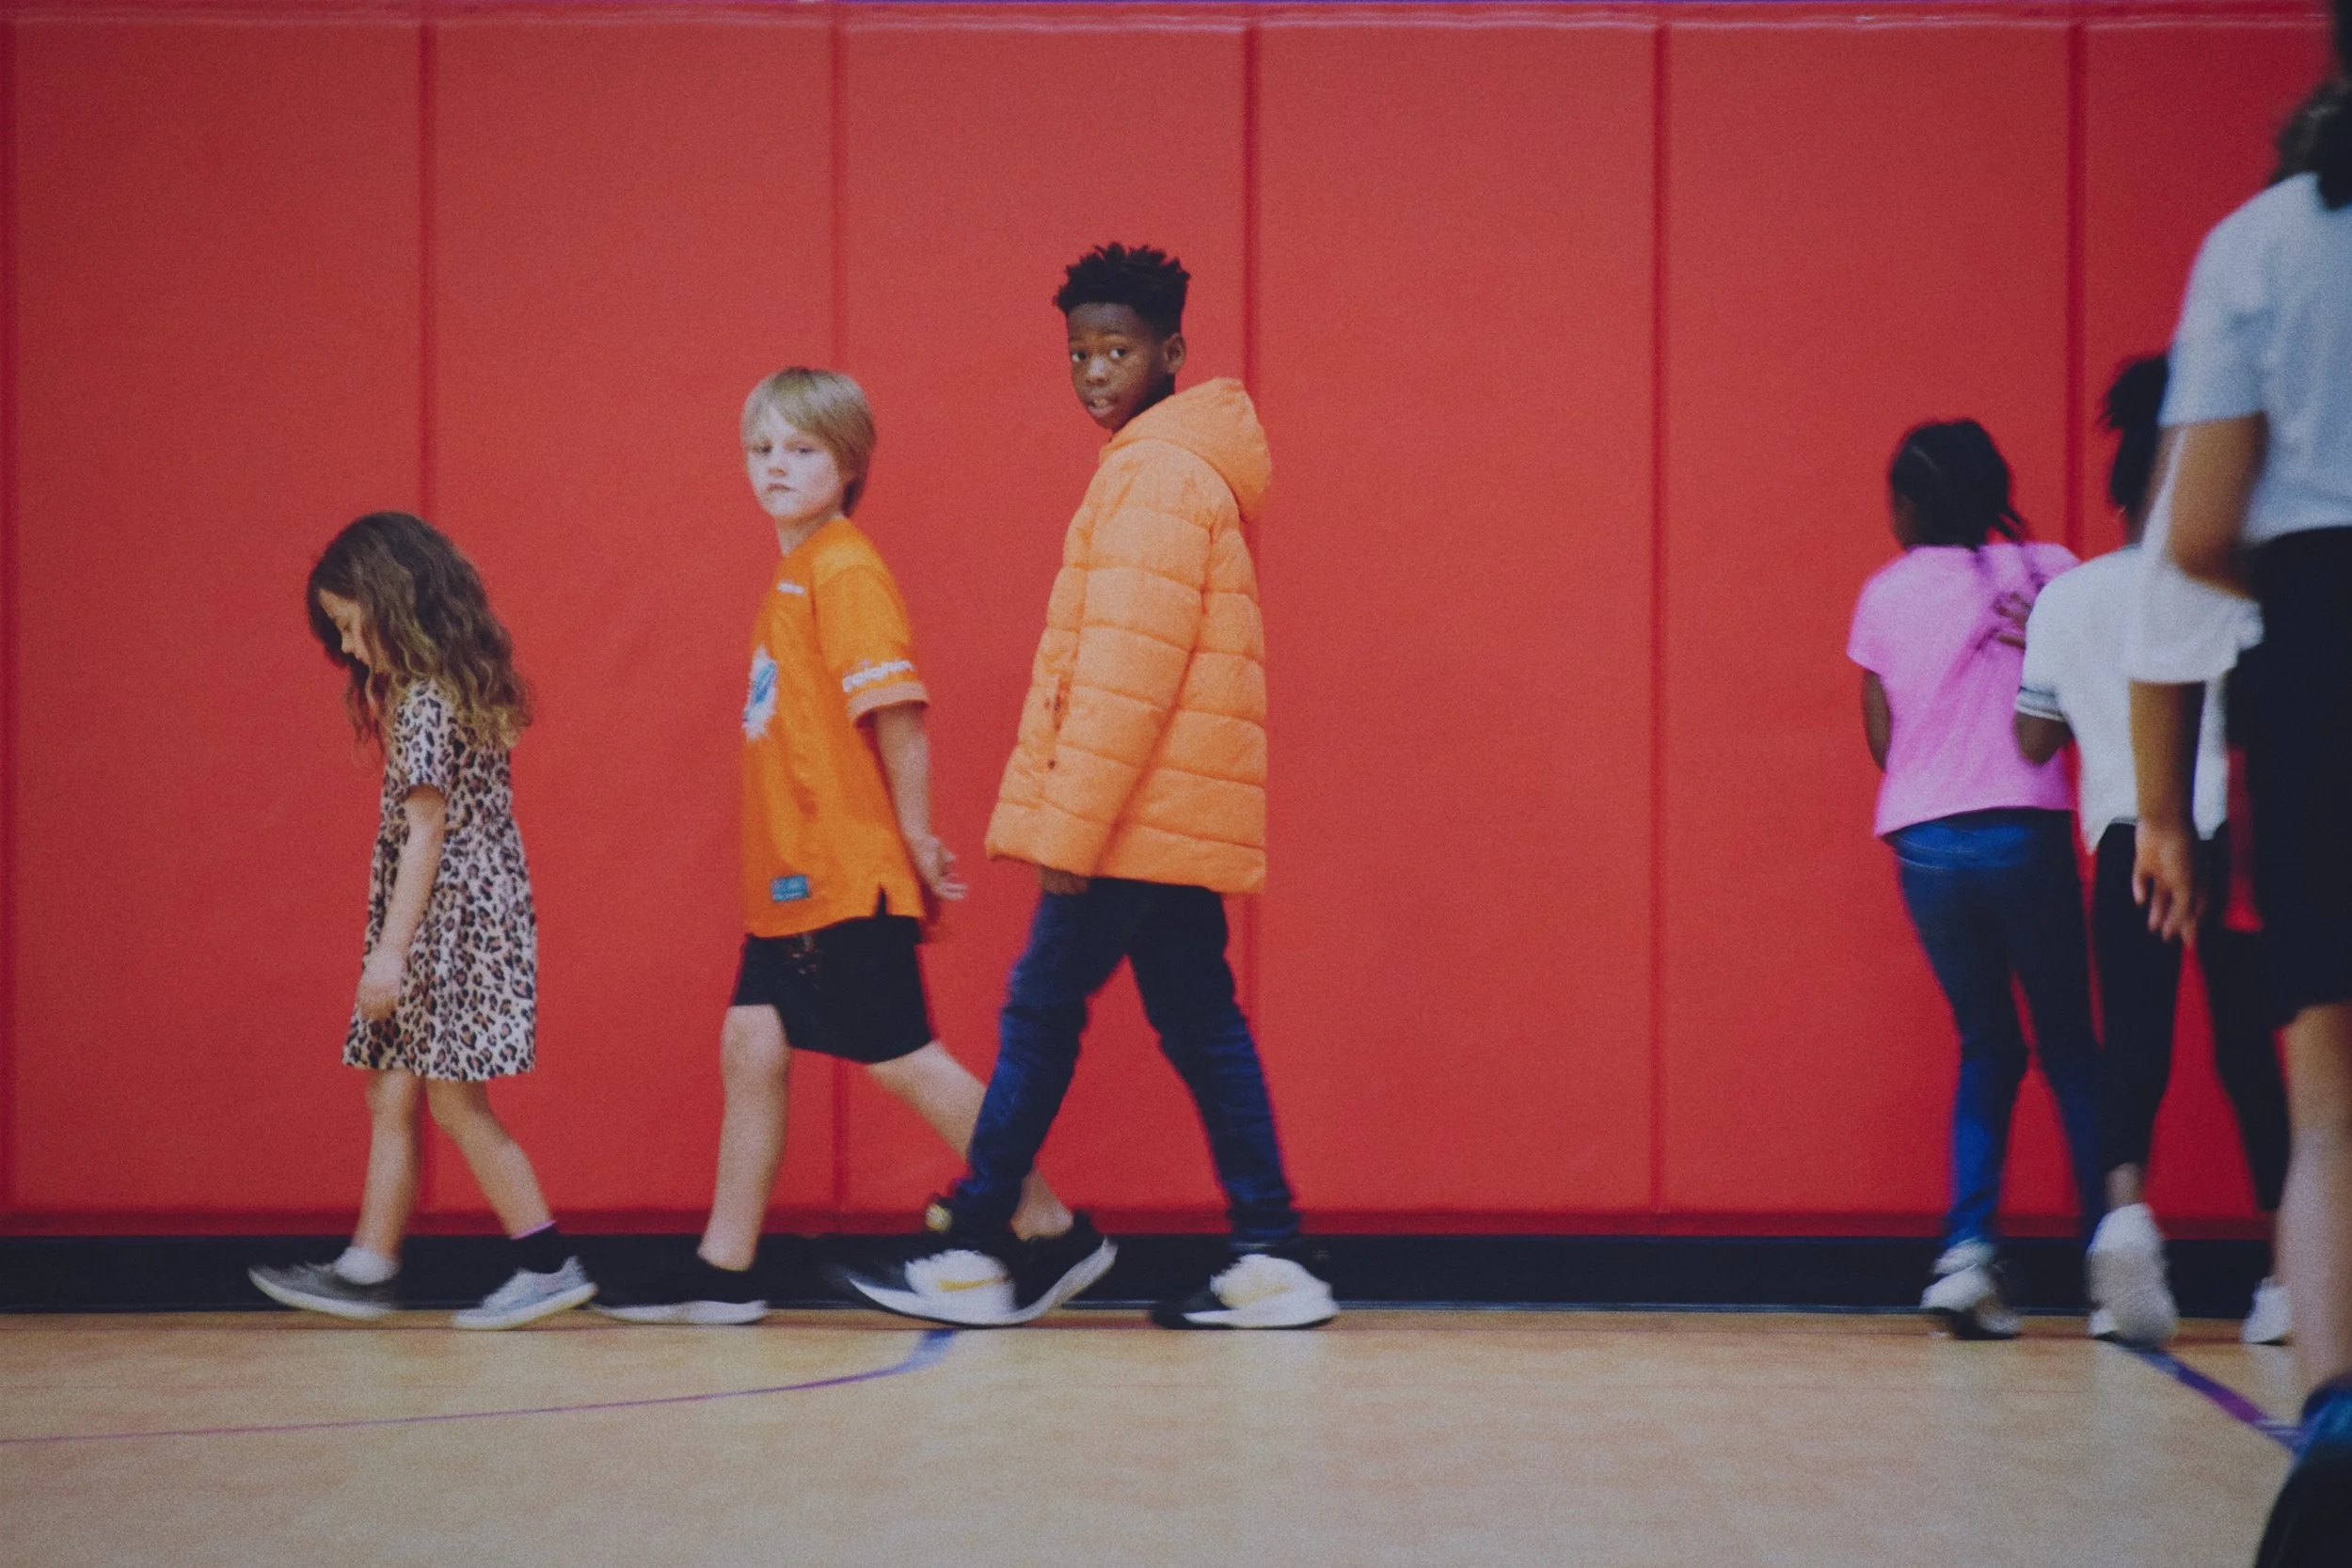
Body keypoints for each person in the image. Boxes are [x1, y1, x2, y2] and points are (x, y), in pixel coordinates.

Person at [832, 244, 1335, 1330]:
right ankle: (1271, 1252)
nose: (1096, 371)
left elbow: (1125, 677)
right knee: (1202, 1025)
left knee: (1040, 1010)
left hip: (1127, 819)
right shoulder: (1172, 467)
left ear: (1172, 354)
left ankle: (979, 1247)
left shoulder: (1154, 475)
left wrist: (1072, 827)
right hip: (1164, 816)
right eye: (1079, 352)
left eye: (1119, 350)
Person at [594, 369, 1071, 1324]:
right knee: (751, 1041)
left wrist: (917, 837)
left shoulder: (844, 566)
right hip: (790, 880)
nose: (776, 465)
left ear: (848, 465)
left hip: (843, 870)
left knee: (901, 1057)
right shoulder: (796, 569)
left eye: (801, 448)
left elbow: (896, 713)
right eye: (761, 448)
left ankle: (1053, 1226)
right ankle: (725, 1270)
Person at [2124, 21, 2352, 1559]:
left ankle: (2336, 1438)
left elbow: (2193, 540)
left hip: (2325, 642)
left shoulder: (2269, 243)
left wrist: (2158, 807)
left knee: (2329, 1104)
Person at [249, 513, 595, 1329]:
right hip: (459, 913)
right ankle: (369, 1263)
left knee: (453, 1102)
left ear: (388, 602)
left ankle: (546, 1262)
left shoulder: (425, 702)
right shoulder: (444, 684)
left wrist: (390, 954)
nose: (348, 647)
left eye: (348, 624)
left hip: (448, 924)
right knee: (392, 1088)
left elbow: (428, 827)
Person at [2014, 356, 2291, 1348]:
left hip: (2127, 837)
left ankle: (2126, 1225)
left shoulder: (2068, 600)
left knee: (2129, 1046)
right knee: (2250, 1056)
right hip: (2229, 839)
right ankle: (2282, 1277)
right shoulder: (2232, 595)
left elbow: (2034, 742)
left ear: (2117, 487)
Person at [1848, 420, 2105, 1339]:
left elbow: (1883, 739)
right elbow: (2096, 692)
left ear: (1906, 506)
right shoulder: (2049, 570)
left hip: (1923, 844)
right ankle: (2111, 1250)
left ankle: (1965, 1251)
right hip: (2024, 829)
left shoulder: (1882, 593)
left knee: (1987, 1043)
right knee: (2070, 1043)